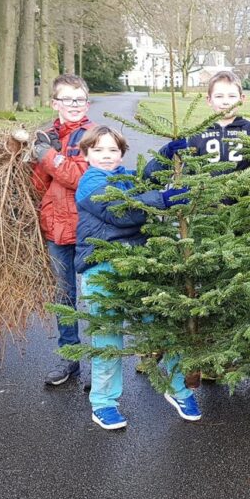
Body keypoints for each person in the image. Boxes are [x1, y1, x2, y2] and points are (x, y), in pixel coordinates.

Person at [73, 126, 199, 430]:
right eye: (99, 150)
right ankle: (103, 403)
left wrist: (166, 156)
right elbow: (123, 211)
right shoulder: (90, 183)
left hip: (137, 265)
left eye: (113, 150)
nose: (106, 156)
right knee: (108, 337)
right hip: (102, 268)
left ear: (121, 153)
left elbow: (143, 181)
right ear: (86, 154)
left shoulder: (123, 175)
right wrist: (164, 200)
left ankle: (178, 388)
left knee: (161, 329)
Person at [32, 74, 93, 386]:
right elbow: (40, 186)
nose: (73, 105)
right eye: (67, 99)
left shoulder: (92, 135)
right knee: (63, 296)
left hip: (88, 228)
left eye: (79, 99)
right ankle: (70, 360)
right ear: (54, 103)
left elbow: (78, 177)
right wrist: (36, 158)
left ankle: (102, 367)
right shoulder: (46, 137)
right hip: (55, 229)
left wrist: (47, 155)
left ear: (87, 102)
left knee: (96, 296)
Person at [143, 70, 250, 180]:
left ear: (242, 99)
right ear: (209, 100)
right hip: (206, 204)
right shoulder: (198, 134)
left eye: (232, 96)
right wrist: (170, 151)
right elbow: (182, 171)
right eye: (219, 96)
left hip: (243, 205)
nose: (226, 102)